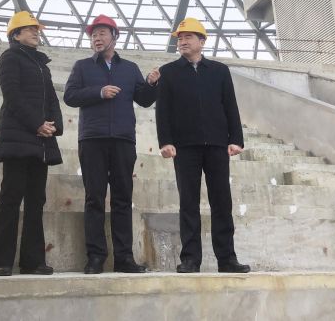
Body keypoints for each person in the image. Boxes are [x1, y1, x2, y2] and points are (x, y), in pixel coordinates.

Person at [64, 14, 159, 274]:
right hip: (92, 139)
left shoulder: (129, 68)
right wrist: (99, 92)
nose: (97, 38)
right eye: (93, 35)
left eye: (102, 33)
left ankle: (124, 258)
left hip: (123, 140)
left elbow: (144, 99)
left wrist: (151, 84)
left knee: (122, 200)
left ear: (114, 37)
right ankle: (95, 257)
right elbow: (70, 96)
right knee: (94, 198)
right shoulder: (82, 67)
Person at [156, 17, 250, 274]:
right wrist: (165, 141)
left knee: (222, 202)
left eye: (188, 37)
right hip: (184, 146)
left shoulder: (220, 71)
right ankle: (190, 259)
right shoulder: (168, 72)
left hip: (217, 144)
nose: (182, 41)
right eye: (179, 38)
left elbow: (230, 105)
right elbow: (162, 111)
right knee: (188, 203)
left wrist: (236, 139)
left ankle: (227, 259)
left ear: (202, 41)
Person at [0, 11, 63, 276]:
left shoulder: (42, 65)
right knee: (11, 197)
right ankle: (0, 261)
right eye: (30, 29)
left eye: (36, 29)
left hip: (41, 141)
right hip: (19, 138)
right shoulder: (10, 58)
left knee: (35, 200)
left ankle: (32, 260)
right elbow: (13, 95)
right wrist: (37, 123)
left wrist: (54, 126)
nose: (35, 32)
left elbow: (52, 99)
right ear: (15, 34)